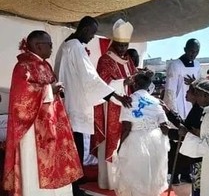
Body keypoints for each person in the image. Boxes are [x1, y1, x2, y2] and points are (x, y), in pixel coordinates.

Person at [55, 16, 130, 195]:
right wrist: (115, 95)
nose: (92, 38)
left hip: (70, 104)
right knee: (76, 150)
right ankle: (74, 188)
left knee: (72, 149)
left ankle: (73, 186)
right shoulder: (75, 47)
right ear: (86, 29)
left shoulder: (66, 45)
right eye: (93, 33)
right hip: (75, 106)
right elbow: (90, 79)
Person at [3, 30, 83, 196]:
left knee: (57, 162)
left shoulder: (45, 65)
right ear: (38, 45)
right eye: (50, 44)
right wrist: (49, 90)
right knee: (34, 167)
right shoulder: (23, 66)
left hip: (53, 124)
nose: (52, 48)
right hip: (33, 129)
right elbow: (21, 97)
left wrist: (55, 91)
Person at [93, 18, 137, 190]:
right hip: (110, 107)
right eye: (119, 45)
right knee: (112, 143)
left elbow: (133, 80)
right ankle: (108, 181)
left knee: (125, 141)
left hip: (126, 107)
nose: (122, 49)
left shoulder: (129, 60)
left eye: (125, 45)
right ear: (113, 42)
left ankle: (123, 179)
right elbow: (102, 85)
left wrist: (139, 79)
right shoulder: (105, 60)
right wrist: (124, 83)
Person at [115, 70, 170, 196]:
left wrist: (120, 146)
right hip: (156, 140)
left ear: (134, 85)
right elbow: (164, 126)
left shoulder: (128, 101)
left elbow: (127, 127)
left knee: (135, 176)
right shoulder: (157, 102)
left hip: (135, 141)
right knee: (152, 174)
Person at [161, 82, 203, 196]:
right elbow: (185, 126)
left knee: (199, 187)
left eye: (189, 91)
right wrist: (169, 112)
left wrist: (169, 132)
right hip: (195, 155)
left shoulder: (199, 111)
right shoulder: (195, 109)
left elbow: (188, 133)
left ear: (195, 95)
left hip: (198, 156)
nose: (186, 93)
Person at [163, 38, 201, 119]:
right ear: (185, 49)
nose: (193, 54)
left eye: (196, 51)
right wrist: (172, 111)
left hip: (193, 105)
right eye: (191, 51)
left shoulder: (197, 65)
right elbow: (170, 90)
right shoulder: (175, 65)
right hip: (179, 104)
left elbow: (201, 84)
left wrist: (195, 83)